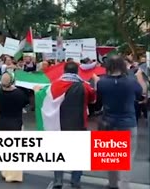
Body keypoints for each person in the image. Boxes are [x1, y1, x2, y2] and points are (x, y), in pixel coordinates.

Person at [34, 61, 96, 189]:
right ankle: (75, 180)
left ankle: (58, 180)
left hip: (59, 125)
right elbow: (92, 99)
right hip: (79, 125)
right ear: (77, 71)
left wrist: (36, 91)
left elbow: (44, 97)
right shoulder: (85, 86)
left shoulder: (55, 85)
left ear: (64, 71)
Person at [97, 56, 142, 189]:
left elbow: (99, 101)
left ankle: (112, 184)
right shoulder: (131, 81)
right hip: (128, 122)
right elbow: (140, 94)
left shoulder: (102, 82)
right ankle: (124, 185)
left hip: (108, 122)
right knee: (127, 156)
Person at [0, 72, 28, 182]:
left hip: (2, 123)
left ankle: (5, 172)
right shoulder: (19, 93)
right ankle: (13, 176)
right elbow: (25, 102)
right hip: (15, 124)